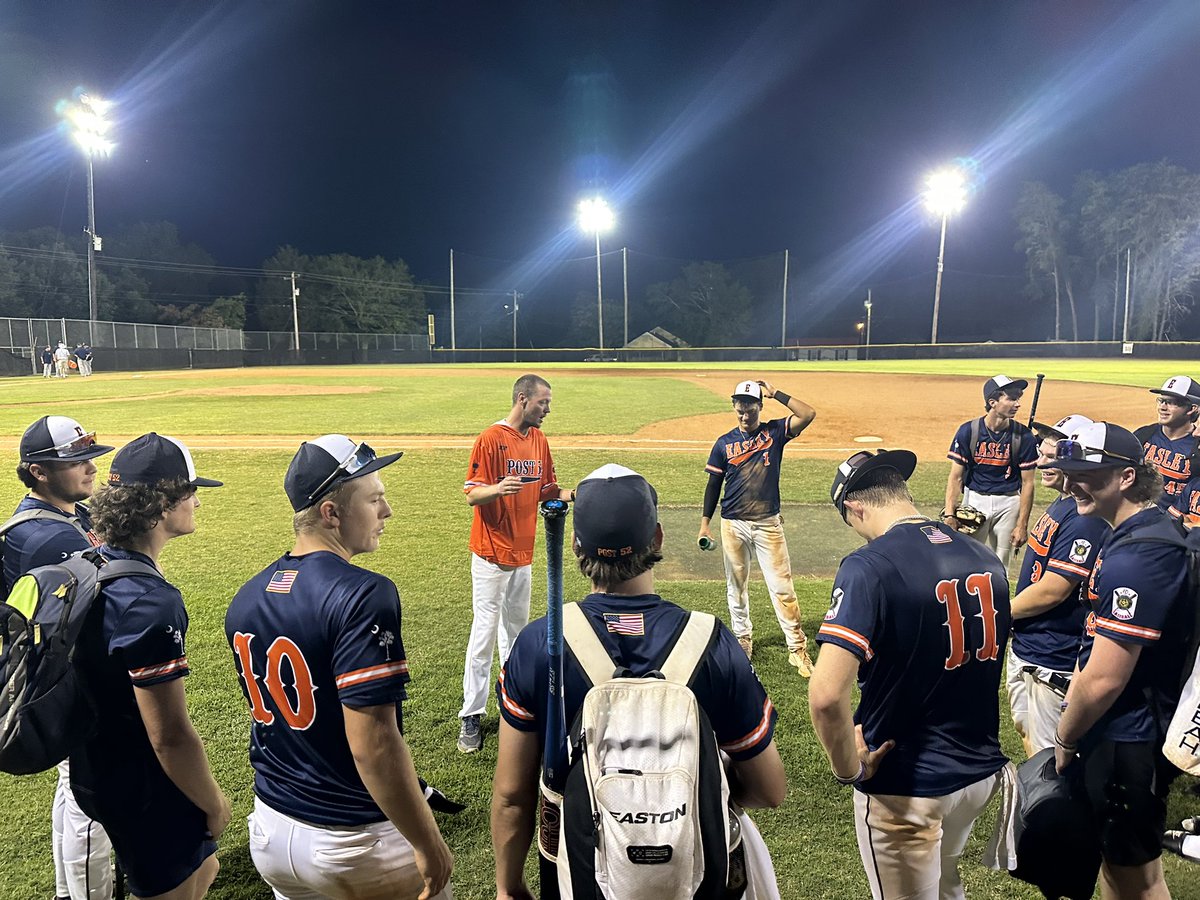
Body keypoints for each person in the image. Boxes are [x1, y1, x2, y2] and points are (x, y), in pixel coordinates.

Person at [492, 463, 787, 900]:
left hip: (579, 882)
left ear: (574, 545)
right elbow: (770, 789)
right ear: (658, 539)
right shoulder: (711, 642)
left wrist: (508, 886)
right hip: (694, 881)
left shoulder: (541, 642)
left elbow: (513, 797)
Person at [225, 434, 453, 900]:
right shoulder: (364, 594)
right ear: (331, 513)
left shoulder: (247, 595)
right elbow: (374, 746)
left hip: (271, 828)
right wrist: (429, 841)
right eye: (374, 499)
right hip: (354, 841)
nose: (387, 511)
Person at [811, 449, 1012, 900]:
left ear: (855, 508)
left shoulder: (869, 566)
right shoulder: (984, 556)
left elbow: (825, 695)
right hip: (977, 774)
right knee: (945, 887)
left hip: (909, 783)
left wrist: (848, 770)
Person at [70, 433, 230, 900]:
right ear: (161, 504)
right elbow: (169, 735)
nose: (197, 501)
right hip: (142, 786)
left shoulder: (88, 560)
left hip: (93, 768)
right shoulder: (149, 602)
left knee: (205, 869)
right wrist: (213, 802)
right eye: (189, 492)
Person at [1049, 422, 1194, 899]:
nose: (1071, 486)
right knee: (1118, 863)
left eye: (1085, 474)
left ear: (1126, 477)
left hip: (1128, 732)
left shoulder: (1140, 554)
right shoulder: (1148, 528)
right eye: (1067, 473)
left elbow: (1105, 679)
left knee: (1138, 875)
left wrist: (1065, 736)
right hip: (1134, 725)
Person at [3, 416, 114, 900]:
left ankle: (70, 892)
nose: (90, 467)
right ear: (38, 471)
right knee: (90, 794)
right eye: (73, 460)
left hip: (42, 672)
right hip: (57, 679)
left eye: (88, 456)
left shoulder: (60, 519)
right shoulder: (52, 537)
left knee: (73, 786)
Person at [457, 373, 571, 753]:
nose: (548, 409)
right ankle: (471, 714)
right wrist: (498, 488)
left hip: (524, 554)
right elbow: (473, 494)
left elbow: (548, 489)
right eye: (543, 402)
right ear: (523, 399)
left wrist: (579, 493)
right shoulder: (492, 438)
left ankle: (511, 694)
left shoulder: (538, 440)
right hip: (491, 554)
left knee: (518, 633)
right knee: (484, 634)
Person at [1007, 415, 1110, 756]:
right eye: (1043, 453)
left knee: (1051, 758)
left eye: (1053, 457)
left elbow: (1054, 589)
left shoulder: (1083, 517)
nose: (1041, 462)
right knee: (1030, 737)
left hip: (1052, 655)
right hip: (1031, 644)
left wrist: (997, 614)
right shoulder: (1066, 501)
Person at [698, 379, 817, 674]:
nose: (744, 414)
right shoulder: (723, 443)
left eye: (749, 408)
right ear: (735, 407)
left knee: (782, 587)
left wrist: (777, 393)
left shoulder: (775, 432)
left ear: (759, 407)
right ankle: (743, 639)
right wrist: (704, 525)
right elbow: (713, 485)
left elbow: (808, 414)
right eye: (739, 409)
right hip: (733, 523)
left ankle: (797, 648)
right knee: (736, 588)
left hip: (767, 524)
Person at [944, 374, 1037, 568]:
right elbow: (956, 477)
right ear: (992, 402)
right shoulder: (968, 431)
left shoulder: (1024, 436)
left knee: (1001, 562)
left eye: (1018, 398)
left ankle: (998, 598)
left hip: (1010, 502)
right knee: (968, 559)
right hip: (975, 500)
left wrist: (1022, 525)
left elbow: (1028, 482)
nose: (1017, 404)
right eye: (1011, 398)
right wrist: (950, 514)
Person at [1136, 375, 1200, 512]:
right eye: (1161, 401)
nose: (1162, 407)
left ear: (1192, 409)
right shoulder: (1143, 435)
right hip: (1136, 513)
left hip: (1173, 522)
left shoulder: (1197, 446)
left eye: (1171, 402)